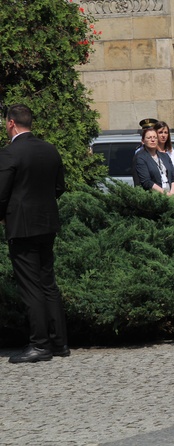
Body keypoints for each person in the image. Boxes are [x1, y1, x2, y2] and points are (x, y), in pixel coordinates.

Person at [0, 104, 69, 363]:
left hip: (21, 226)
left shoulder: (9, 153)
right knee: (47, 283)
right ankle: (59, 343)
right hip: (47, 224)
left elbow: (1, 193)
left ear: (11, 123)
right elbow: (59, 187)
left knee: (30, 287)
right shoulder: (50, 149)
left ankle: (39, 345)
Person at [132, 127, 174, 195]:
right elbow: (147, 182)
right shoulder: (140, 157)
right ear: (143, 141)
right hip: (153, 197)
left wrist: (171, 193)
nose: (152, 140)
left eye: (155, 137)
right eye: (149, 138)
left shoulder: (165, 156)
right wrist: (166, 194)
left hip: (169, 196)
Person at [154, 121, 174, 193]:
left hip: (172, 189)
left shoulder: (171, 151)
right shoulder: (152, 151)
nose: (163, 135)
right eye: (160, 132)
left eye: (166, 132)